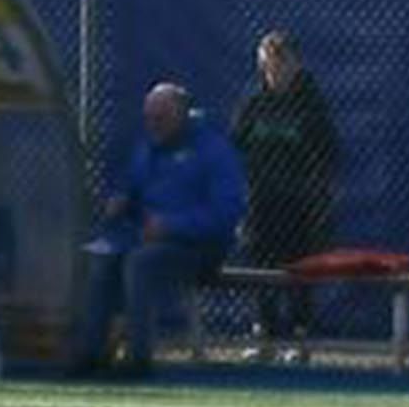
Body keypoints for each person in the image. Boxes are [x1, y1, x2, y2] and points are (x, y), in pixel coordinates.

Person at [71, 80, 241, 375]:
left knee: (140, 263)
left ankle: (139, 359)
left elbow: (226, 214)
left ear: (182, 115)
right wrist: (121, 202)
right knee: (101, 259)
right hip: (145, 238)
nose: (153, 124)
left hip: (200, 249)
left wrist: (172, 226)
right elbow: (131, 189)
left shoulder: (214, 151)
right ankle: (91, 355)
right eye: (149, 118)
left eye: (161, 118)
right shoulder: (147, 149)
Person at [231, 29, 342, 347]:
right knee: (260, 262)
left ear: (296, 64)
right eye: (270, 64)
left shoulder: (311, 105)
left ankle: (299, 334)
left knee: (299, 268)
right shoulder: (253, 102)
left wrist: (312, 189)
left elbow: (328, 152)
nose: (276, 71)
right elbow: (235, 143)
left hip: (300, 203)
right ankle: (264, 330)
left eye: (282, 63)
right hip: (261, 201)